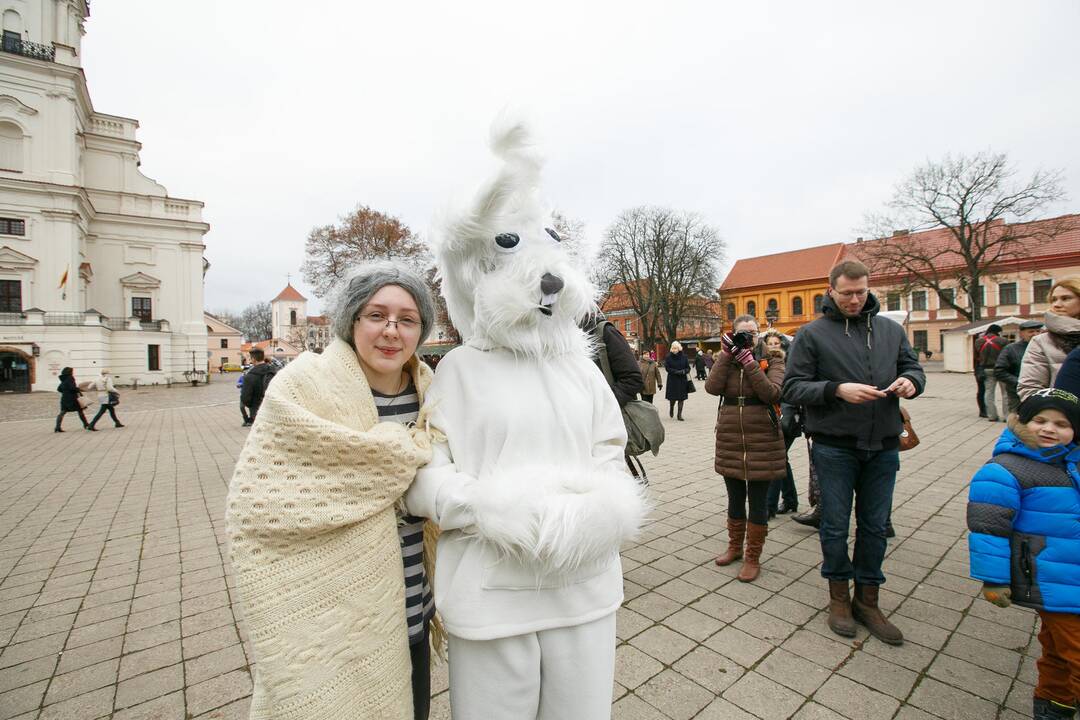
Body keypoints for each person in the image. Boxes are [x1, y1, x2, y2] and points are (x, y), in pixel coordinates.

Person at [404, 120, 645, 720]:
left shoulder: (580, 368)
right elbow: (425, 474)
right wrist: (492, 511)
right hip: (490, 592)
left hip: (584, 586)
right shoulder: (456, 371)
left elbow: (609, 449)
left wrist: (598, 508)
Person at [226, 262, 440, 719]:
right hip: (332, 610)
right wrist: (397, 454)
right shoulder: (302, 386)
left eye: (407, 319)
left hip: (414, 603)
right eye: (376, 315)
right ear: (351, 320)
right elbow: (258, 507)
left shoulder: (432, 391)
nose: (391, 331)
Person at [782, 260, 925, 645]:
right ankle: (839, 598)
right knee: (834, 525)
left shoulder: (890, 330)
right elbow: (793, 388)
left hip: (882, 446)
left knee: (876, 526)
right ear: (831, 290)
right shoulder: (811, 335)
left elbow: (914, 368)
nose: (855, 299)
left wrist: (911, 382)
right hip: (834, 446)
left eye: (861, 291)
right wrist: (836, 390)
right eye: (847, 293)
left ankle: (868, 599)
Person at [967, 388, 1080, 720]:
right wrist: (994, 578)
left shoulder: (1072, 462)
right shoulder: (1005, 470)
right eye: (1039, 420)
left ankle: (1053, 707)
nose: (1049, 429)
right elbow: (988, 527)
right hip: (1051, 580)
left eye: (1061, 423)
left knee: (1059, 653)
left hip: (1071, 573)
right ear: (1020, 423)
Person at [706, 315, 785, 582]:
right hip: (730, 437)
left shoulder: (773, 360)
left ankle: (753, 557)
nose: (748, 338)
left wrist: (750, 363)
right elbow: (711, 387)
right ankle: (734, 547)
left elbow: (772, 393)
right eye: (743, 333)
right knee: (735, 497)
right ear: (733, 334)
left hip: (763, 438)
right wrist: (728, 355)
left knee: (759, 501)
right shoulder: (727, 359)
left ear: (759, 334)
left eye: (752, 333)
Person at [1020, 277, 1080, 401]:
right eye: (1053, 300)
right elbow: (1030, 390)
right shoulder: (1042, 342)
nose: (1057, 305)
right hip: (1065, 416)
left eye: (1066, 298)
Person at [761, 331, 799, 517]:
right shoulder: (764, 363)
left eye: (777, 343)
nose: (774, 346)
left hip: (787, 418)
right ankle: (791, 500)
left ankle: (769, 506)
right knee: (782, 459)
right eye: (770, 343)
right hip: (774, 417)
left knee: (774, 461)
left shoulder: (789, 364)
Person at [996, 320, 1044, 412]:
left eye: (1038, 331)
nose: (1035, 334)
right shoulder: (1011, 349)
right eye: (1031, 331)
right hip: (1017, 395)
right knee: (1018, 421)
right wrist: (1019, 382)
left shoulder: (1046, 347)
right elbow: (1000, 371)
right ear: (1021, 333)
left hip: (1041, 393)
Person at [977, 324, 1006, 421]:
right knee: (1005, 393)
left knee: (989, 392)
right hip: (1002, 369)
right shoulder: (1003, 341)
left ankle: (992, 415)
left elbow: (977, 355)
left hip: (987, 369)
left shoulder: (979, 341)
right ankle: (1007, 416)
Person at [240, 348, 277, 423]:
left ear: (253, 359)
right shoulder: (274, 372)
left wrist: (252, 406)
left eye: (250, 358)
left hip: (258, 412)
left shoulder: (249, 376)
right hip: (275, 409)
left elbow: (245, 398)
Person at [54, 367, 89, 432]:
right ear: (70, 372)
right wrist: (78, 389)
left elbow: (59, 389)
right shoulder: (70, 378)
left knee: (62, 412)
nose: (73, 372)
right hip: (72, 398)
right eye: (72, 371)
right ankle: (86, 424)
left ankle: (57, 427)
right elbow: (72, 388)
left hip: (64, 398)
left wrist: (65, 392)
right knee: (80, 411)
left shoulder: (63, 379)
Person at [665, 341, 691, 420]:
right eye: (673, 348)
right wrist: (675, 372)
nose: (674, 350)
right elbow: (667, 368)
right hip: (672, 380)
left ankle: (679, 415)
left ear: (679, 348)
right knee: (672, 398)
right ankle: (671, 408)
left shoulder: (684, 357)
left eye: (675, 348)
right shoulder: (668, 357)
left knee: (681, 398)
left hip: (682, 380)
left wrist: (683, 371)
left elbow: (688, 368)